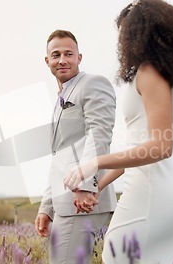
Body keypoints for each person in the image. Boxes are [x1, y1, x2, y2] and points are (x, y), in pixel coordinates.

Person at [64, 0, 173, 263]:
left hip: (154, 195)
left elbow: (160, 147)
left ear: (137, 34)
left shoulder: (149, 72)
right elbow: (144, 151)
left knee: (116, 255)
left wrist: (93, 163)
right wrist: (98, 185)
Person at [35, 29, 117, 264]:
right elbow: (60, 157)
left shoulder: (92, 84)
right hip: (66, 202)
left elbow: (99, 134)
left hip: (81, 200)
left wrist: (84, 185)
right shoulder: (60, 99)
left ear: (79, 58)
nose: (62, 60)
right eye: (56, 54)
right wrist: (46, 207)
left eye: (69, 54)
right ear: (47, 60)